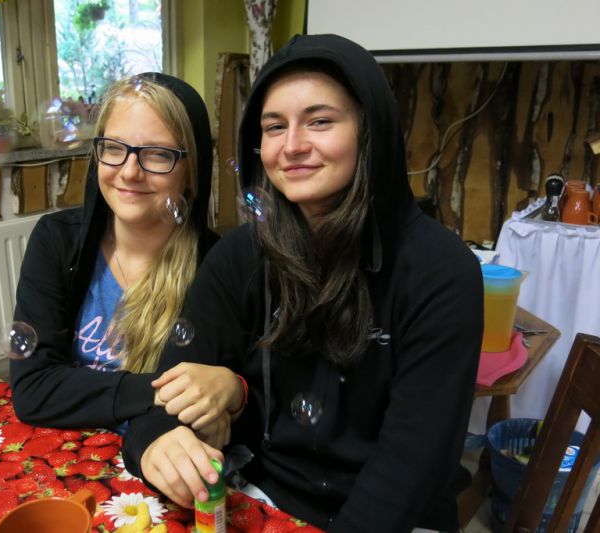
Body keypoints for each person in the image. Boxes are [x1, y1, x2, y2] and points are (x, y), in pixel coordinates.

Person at [122, 35, 483, 532]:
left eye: (320, 121)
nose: (292, 145)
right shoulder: (239, 256)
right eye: (274, 126)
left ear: (370, 130)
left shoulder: (441, 270)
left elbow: (413, 467)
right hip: (263, 497)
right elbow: (162, 395)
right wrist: (156, 441)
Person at [10, 73, 243, 440]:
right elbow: (32, 389)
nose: (130, 172)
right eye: (114, 148)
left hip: (155, 457)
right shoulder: (57, 240)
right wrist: (154, 393)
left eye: (158, 154)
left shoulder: (218, 266)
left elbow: (205, 413)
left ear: (191, 172)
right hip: (67, 450)